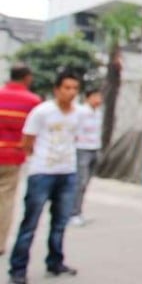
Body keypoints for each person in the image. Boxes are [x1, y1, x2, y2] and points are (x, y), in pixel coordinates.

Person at [8, 71, 81, 283]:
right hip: (42, 174)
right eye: (67, 87)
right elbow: (27, 142)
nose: (71, 92)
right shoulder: (42, 112)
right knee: (30, 224)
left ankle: (55, 262)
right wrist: (39, 161)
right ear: (57, 89)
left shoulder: (78, 113)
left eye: (75, 88)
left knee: (59, 222)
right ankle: (18, 270)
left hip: (67, 172)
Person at [0, 65, 41, 256]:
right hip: (12, 157)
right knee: (5, 200)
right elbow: (34, 133)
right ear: (26, 78)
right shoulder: (32, 101)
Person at [69, 87, 102, 227]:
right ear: (89, 97)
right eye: (97, 96)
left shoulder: (98, 113)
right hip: (81, 149)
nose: (99, 100)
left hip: (94, 149)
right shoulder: (80, 112)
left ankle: (77, 211)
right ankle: (73, 213)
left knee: (85, 183)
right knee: (79, 182)